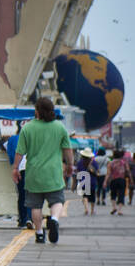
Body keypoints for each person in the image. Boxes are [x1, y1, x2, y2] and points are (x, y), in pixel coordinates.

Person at [12, 96, 73, 244]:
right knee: (57, 201)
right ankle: (54, 219)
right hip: (53, 174)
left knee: (35, 206)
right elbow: (67, 150)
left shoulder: (27, 128)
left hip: (34, 174)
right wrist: (70, 165)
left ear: (37, 111)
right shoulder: (60, 128)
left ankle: (39, 233)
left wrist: (15, 168)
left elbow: (20, 152)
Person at [105, 146, 128, 216]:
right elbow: (128, 171)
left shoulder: (111, 163)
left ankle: (114, 207)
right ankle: (119, 210)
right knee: (121, 194)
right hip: (122, 180)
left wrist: (105, 181)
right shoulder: (124, 162)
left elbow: (108, 173)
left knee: (113, 194)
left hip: (114, 180)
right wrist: (131, 179)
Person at [78, 148, 98, 215]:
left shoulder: (80, 162)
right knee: (92, 197)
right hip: (92, 180)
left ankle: (86, 209)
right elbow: (96, 172)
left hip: (84, 181)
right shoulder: (93, 162)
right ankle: (92, 210)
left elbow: (78, 171)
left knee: (85, 196)